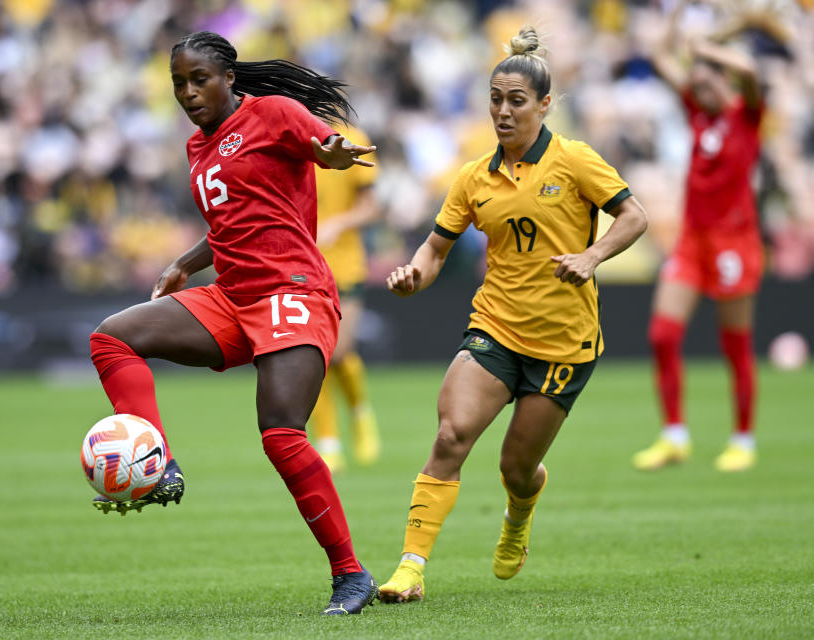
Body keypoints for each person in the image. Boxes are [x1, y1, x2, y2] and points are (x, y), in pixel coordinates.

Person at [87, 31, 378, 615]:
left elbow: (320, 144)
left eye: (199, 80)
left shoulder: (273, 113)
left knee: (280, 433)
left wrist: (332, 151)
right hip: (232, 296)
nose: (189, 93)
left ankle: (350, 574)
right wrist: (183, 264)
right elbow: (232, 222)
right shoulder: (200, 147)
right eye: (178, 84)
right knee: (111, 338)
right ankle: (157, 461)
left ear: (228, 78)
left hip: (293, 291)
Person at [377, 27, 648, 602]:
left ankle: (519, 513)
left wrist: (591, 255)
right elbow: (435, 248)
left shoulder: (575, 161)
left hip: (563, 344)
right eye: (495, 99)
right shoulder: (474, 177)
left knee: (515, 468)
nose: (503, 110)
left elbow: (633, 217)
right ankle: (410, 567)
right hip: (495, 327)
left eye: (516, 100)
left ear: (544, 104)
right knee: (450, 435)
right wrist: (413, 276)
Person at [633, 13, 764, 473]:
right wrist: (673, 15)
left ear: (722, 80)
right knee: (663, 335)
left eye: (707, 78)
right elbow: (658, 57)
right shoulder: (698, 112)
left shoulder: (746, 114)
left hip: (735, 241)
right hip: (693, 240)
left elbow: (749, 73)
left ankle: (742, 439)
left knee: (735, 344)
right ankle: (675, 436)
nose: (698, 85)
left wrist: (707, 47)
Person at [309, 123, 382, 473]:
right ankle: (328, 442)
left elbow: (371, 207)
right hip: (303, 266)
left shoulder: (353, 136)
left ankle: (360, 412)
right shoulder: (288, 136)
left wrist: (337, 224)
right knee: (316, 355)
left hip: (345, 265)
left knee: (340, 351)